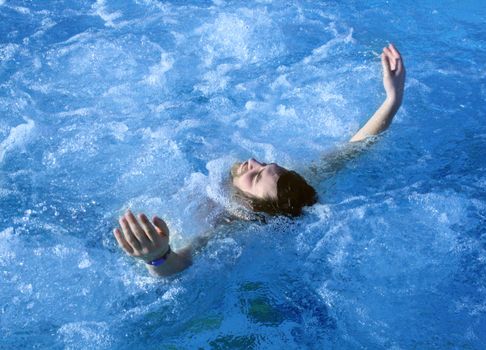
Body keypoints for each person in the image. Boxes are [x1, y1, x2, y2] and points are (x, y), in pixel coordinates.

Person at [113, 44, 406, 277]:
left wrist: (157, 257)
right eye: (265, 164)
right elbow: (356, 148)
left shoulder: (229, 224)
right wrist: (392, 99)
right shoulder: (297, 183)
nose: (253, 161)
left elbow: (183, 264)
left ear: (250, 206)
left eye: (254, 176)